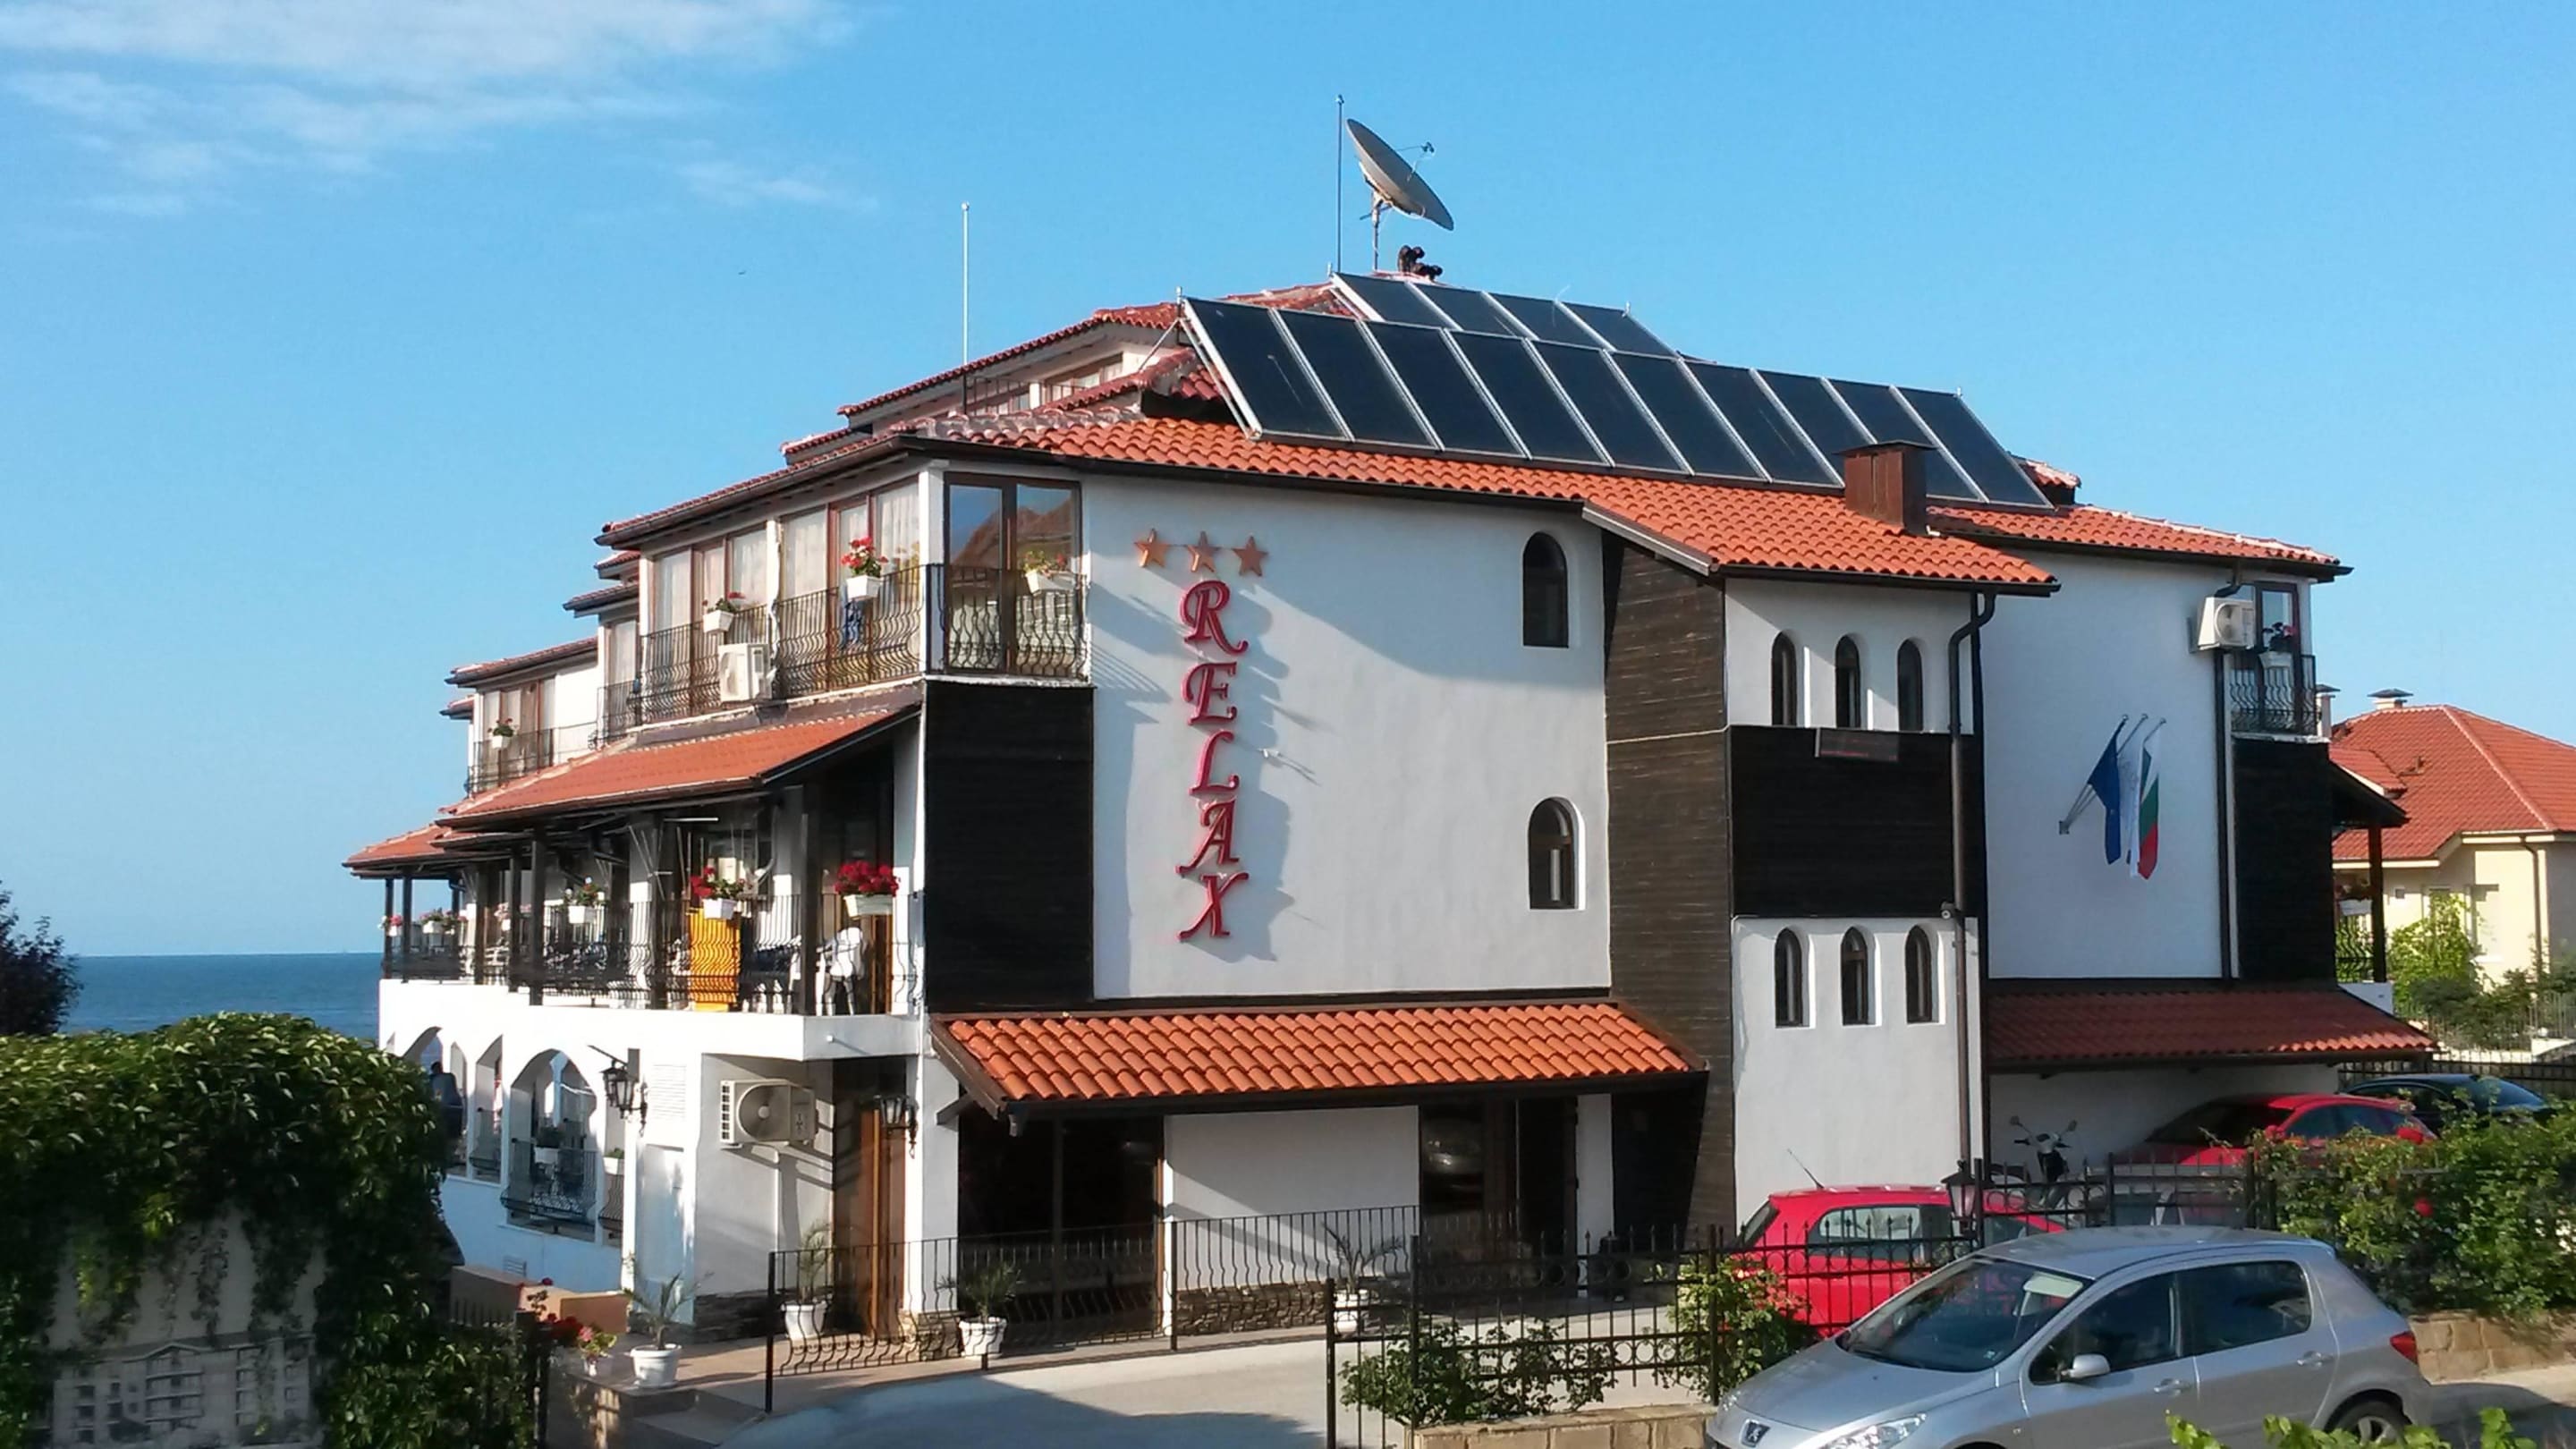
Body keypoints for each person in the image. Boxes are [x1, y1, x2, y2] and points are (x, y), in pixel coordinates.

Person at [821, 920, 869, 1014]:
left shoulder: (839, 939)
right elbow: (865, 945)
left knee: (826, 976)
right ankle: (834, 1008)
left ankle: (829, 1008)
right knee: (829, 979)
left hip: (845, 968)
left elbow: (826, 948)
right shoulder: (841, 939)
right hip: (846, 968)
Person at [426, 1063, 467, 1141]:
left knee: (448, 1132)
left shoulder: (441, 1078)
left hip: (447, 1108)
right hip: (453, 1106)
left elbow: (438, 1093)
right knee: (453, 1133)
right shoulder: (449, 1077)